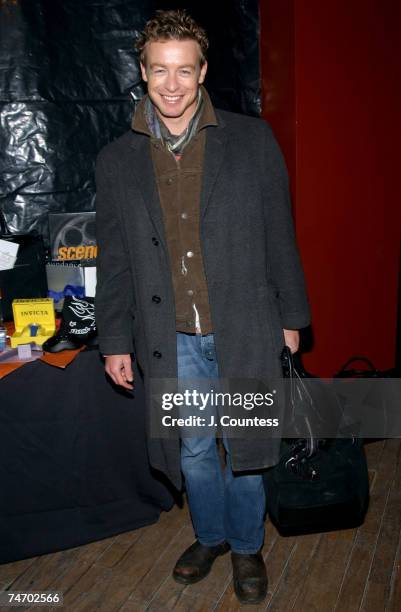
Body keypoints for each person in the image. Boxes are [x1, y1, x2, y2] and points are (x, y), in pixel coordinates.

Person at [95, 9, 310, 605]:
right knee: (193, 447)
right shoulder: (116, 162)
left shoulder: (252, 140)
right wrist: (114, 341)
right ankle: (209, 536)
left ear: (203, 70)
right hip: (172, 336)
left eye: (184, 70)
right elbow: (114, 262)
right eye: (159, 70)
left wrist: (291, 319)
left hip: (245, 324)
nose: (172, 84)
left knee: (246, 444)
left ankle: (246, 547)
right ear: (141, 71)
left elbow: (279, 235)